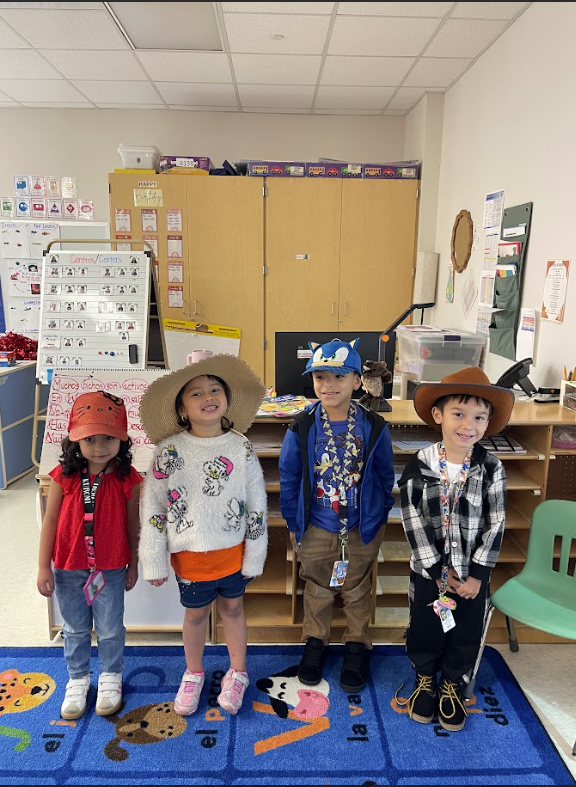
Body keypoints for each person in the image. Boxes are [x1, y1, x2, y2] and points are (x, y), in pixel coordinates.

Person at [139, 353, 267, 717]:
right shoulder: (169, 450)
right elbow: (153, 506)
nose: (207, 396)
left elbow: (256, 499)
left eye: (214, 389)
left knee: (233, 609)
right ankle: (193, 672)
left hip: (233, 551)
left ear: (226, 398)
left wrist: (255, 552)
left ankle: (238, 672)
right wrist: (153, 558)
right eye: (195, 393)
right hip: (191, 555)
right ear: (181, 407)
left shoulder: (239, 445)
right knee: (195, 616)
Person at [398, 367, 514, 732]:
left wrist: (478, 575)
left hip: (471, 578)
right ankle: (426, 679)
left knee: (465, 632)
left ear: (488, 422)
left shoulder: (491, 468)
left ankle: (453, 684)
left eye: (479, 417)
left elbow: (496, 523)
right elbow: (411, 521)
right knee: (425, 629)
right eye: (458, 414)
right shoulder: (419, 466)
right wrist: (436, 572)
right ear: (438, 415)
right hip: (429, 574)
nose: (469, 425)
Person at [279, 338, 395, 692]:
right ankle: (315, 643)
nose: (327, 385)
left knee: (358, 590)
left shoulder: (373, 426)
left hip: (362, 527)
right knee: (317, 588)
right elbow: (289, 475)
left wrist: (377, 516)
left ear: (357, 381)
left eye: (338, 377)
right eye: (320, 377)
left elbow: (384, 475)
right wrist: (294, 522)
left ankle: (357, 644)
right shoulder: (301, 426)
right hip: (315, 526)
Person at [37, 391, 142, 721]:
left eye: (109, 438)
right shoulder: (64, 476)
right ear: (75, 440)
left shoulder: (128, 478)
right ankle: (78, 679)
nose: (100, 447)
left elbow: (132, 523)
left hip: (110, 568)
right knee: (74, 628)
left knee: (110, 629)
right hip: (68, 567)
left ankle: (111, 677)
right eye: (91, 439)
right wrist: (43, 566)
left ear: (121, 440)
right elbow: (50, 520)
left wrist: (134, 564)